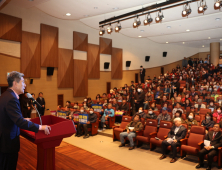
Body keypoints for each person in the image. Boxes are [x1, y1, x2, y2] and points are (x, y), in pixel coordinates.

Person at [0, 71, 51, 170]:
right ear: (15, 83)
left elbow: (7, 116)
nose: (25, 84)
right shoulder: (11, 99)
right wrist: (41, 127)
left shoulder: (5, 95)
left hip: (4, 140)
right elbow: (19, 122)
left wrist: (22, 119)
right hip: (8, 143)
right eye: (23, 82)